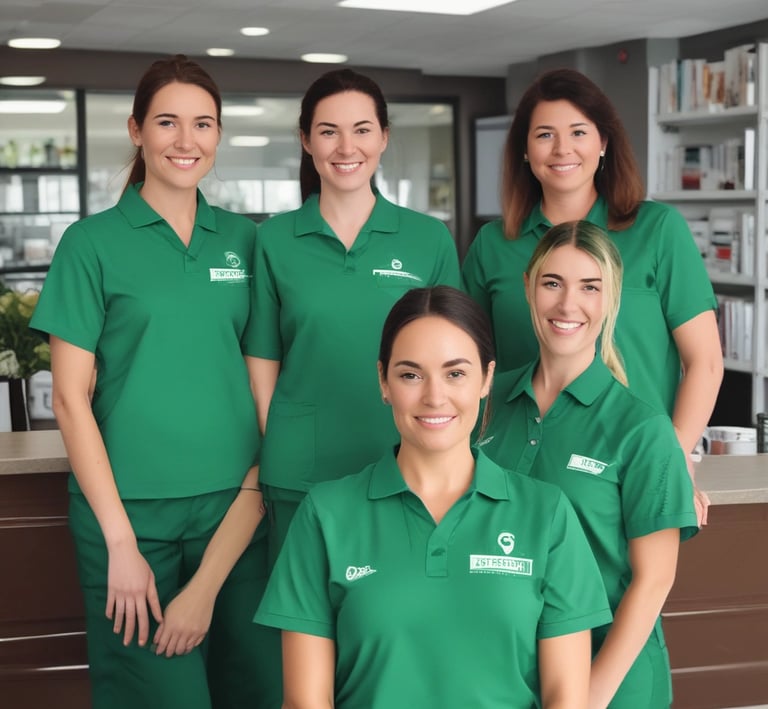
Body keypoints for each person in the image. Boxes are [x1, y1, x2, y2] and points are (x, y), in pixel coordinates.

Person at [30, 55, 280, 709]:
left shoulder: (245, 244)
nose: (186, 140)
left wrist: (252, 499)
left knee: (257, 688)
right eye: (167, 122)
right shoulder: (90, 245)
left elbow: (263, 397)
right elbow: (67, 398)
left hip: (235, 513)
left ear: (219, 135)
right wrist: (119, 541)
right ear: (137, 129)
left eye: (203, 124)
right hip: (130, 517)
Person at [255, 285, 612, 708]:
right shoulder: (326, 515)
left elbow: (566, 700)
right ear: (383, 381)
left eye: (455, 373)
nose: (434, 396)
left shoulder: (547, 514)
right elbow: (305, 703)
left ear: (487, 379)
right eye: (410, 374)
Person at [461, 68, 723, 523]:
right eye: (545, 134)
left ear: (604, 142)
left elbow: (706, 361)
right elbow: (467, 365)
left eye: (578, 132)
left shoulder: (658, 231)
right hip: (520, 474)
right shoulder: (493, 245)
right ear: (524, 150)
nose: (563, 149)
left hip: (627, 472)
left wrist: (670, 458)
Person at [478, 221, 699, 709]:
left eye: (589, 287)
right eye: (552, 283)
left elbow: (654, 579)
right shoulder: (485, 403)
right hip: (506, 677)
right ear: (528, 289)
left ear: (610, 299)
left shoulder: (642, 429)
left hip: (610, 683)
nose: (567, 304)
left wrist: (588, 698)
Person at [244, 68, 461, 561]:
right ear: (306, 140)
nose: (347, 147)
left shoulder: (428, 239)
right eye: (328, 131)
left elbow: (455, 356)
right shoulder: (273, 240)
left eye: (362, 129)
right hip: (301, 470)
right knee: (304, 618)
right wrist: (282, 442)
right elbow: (262, 361)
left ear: (384, 137)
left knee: (388, 620)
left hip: (409, 463)